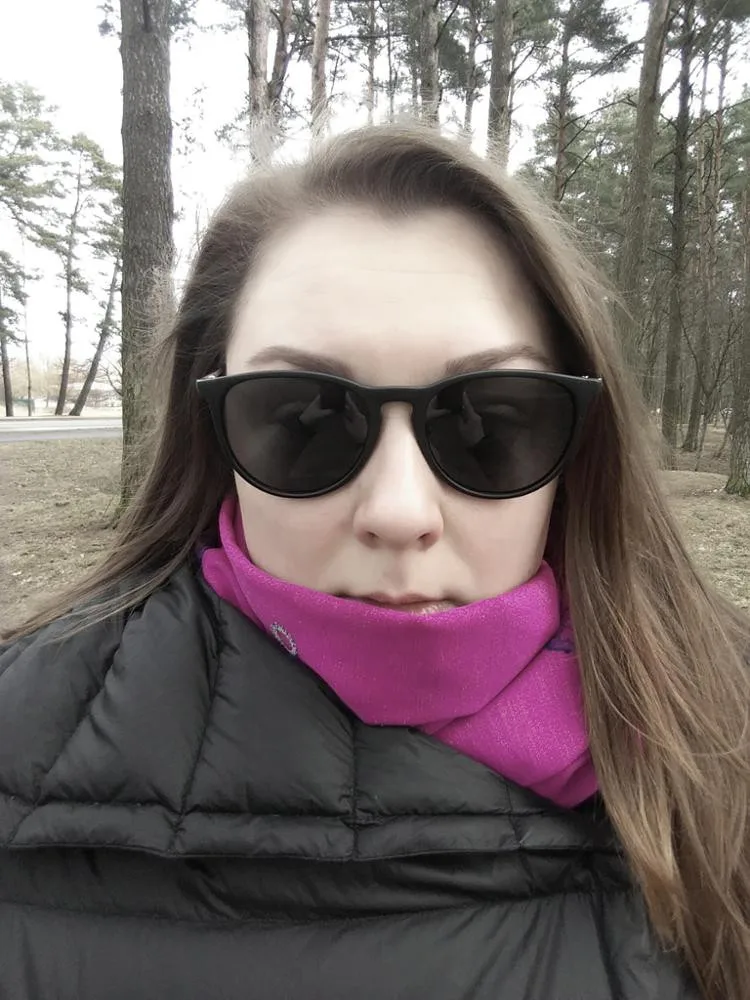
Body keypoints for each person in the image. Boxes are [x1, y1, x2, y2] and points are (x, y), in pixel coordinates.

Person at [0, 123, 748, 1000]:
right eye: (302, 418)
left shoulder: (726, 723)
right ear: (213, 433)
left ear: (580, 446)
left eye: (489, 422)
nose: (400, 512)